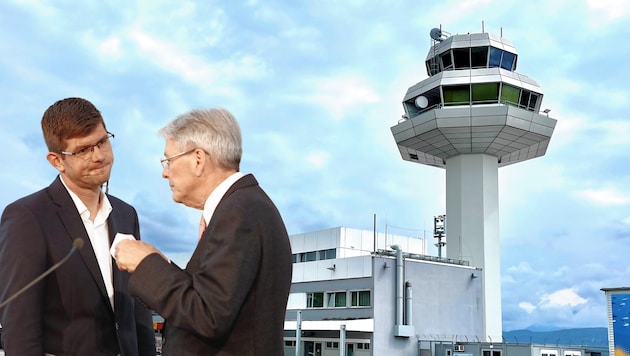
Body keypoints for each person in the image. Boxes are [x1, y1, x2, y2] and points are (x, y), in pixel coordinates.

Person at [113, 108, 293, 355]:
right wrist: (161, 262)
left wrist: (145, 263)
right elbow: (211, 297)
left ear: (198, 159)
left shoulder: (239, 212)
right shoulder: (245, 206)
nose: (164, 172)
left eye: (168, 160)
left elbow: (207, 315)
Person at [0, 97, 156, 356]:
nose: (99, 156)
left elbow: (138, 312)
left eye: (102, 142)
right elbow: (19, 325)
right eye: (83, 150)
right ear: (56, 161)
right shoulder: (28, 216)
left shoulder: (127, 214)